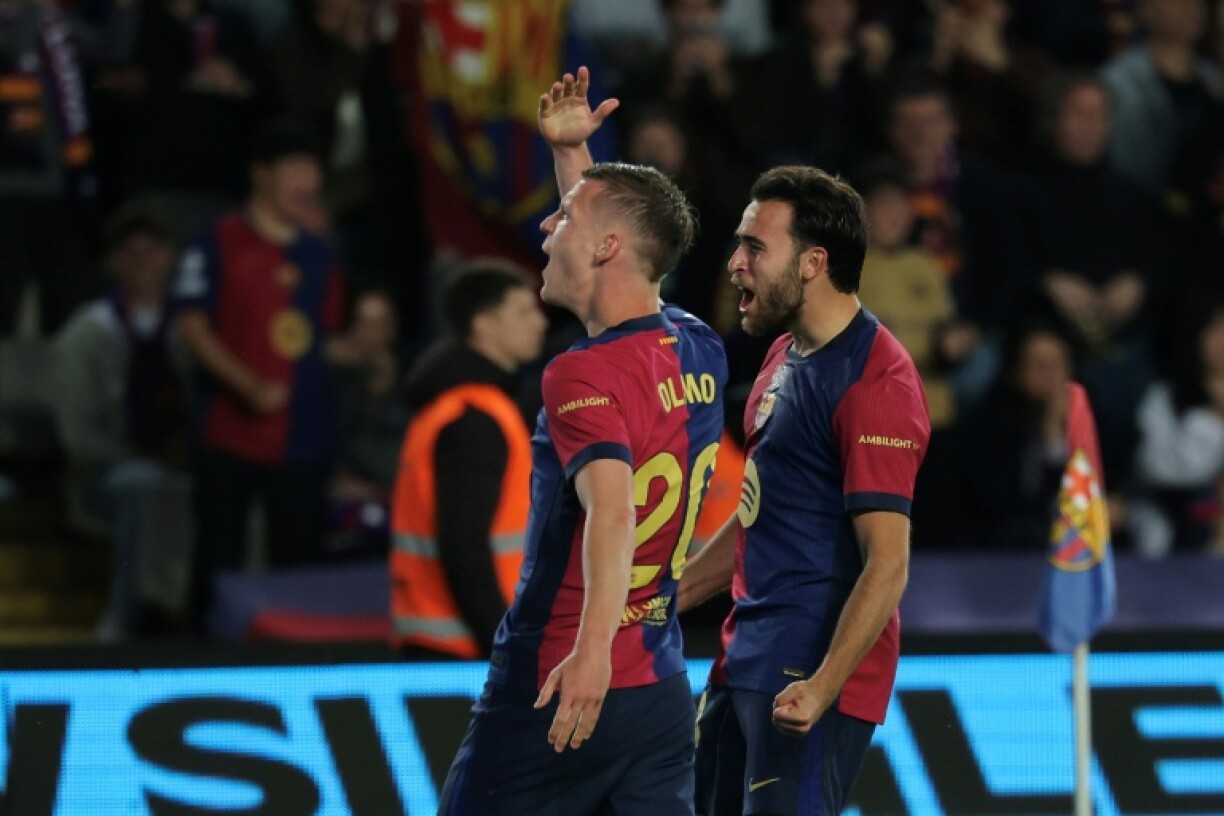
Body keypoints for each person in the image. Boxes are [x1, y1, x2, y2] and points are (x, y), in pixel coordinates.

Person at [438, 67, 727, 815]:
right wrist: (576, 160)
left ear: (602, 248)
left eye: (561, 218)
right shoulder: (700, 346)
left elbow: (613, 512)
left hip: (559, 678)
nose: (544, 228)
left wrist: (590, 651)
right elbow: (619, 265)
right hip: (659, 688)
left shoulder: (578, 376)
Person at [678, 164, 931, 815]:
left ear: (815, 261)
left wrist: (823, 686)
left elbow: (888, 562)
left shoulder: (879, 385)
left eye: (755, 247)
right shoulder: (782, 355)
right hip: (743, 660)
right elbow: (760, 515)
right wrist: (656, 598)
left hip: (810, 679)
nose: (735, 263)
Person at [173, 120, 345, 635]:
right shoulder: (216, 240)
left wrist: (358, 350)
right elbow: (190, 324)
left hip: (304, 433)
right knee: (216, 558)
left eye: (312, 168)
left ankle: (297, 671)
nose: (306, 180)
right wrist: (246, 385)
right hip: (229, 429)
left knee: (299, 566)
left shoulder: (320, 252)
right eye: (294, 167)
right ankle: (201, 662)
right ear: (260, 174)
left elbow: (322, 337)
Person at [390, 260, 547, 660]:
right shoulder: (474, 416)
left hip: (442, 638)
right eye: (523, 311)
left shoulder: (456, 405)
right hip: (462, 650)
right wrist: (503, 644)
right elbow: (464, 547)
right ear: (483, 325)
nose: (539, 322)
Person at [53, 201, 192, 639]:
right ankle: (127, 620)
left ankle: (209, 618)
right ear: (113, 262)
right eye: (131, 252)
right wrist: (142, 455)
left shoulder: (193, 330)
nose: (143, 262)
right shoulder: (89, 331)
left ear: (170, 257)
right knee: (144, 486)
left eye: (152, 251)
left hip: (184, 466)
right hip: (104, 475)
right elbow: (75, 436)